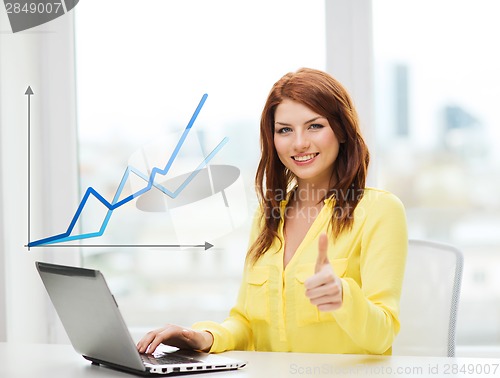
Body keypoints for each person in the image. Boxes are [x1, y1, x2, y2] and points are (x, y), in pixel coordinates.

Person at [137, 67, 408, 356]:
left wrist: (342, 297)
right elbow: (247, 324)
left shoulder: (380, 211)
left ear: (341, 131)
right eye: (285, 130)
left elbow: (382, 336)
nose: (299, 142)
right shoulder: (269, 216)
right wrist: (201, 337)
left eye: (315, 126)